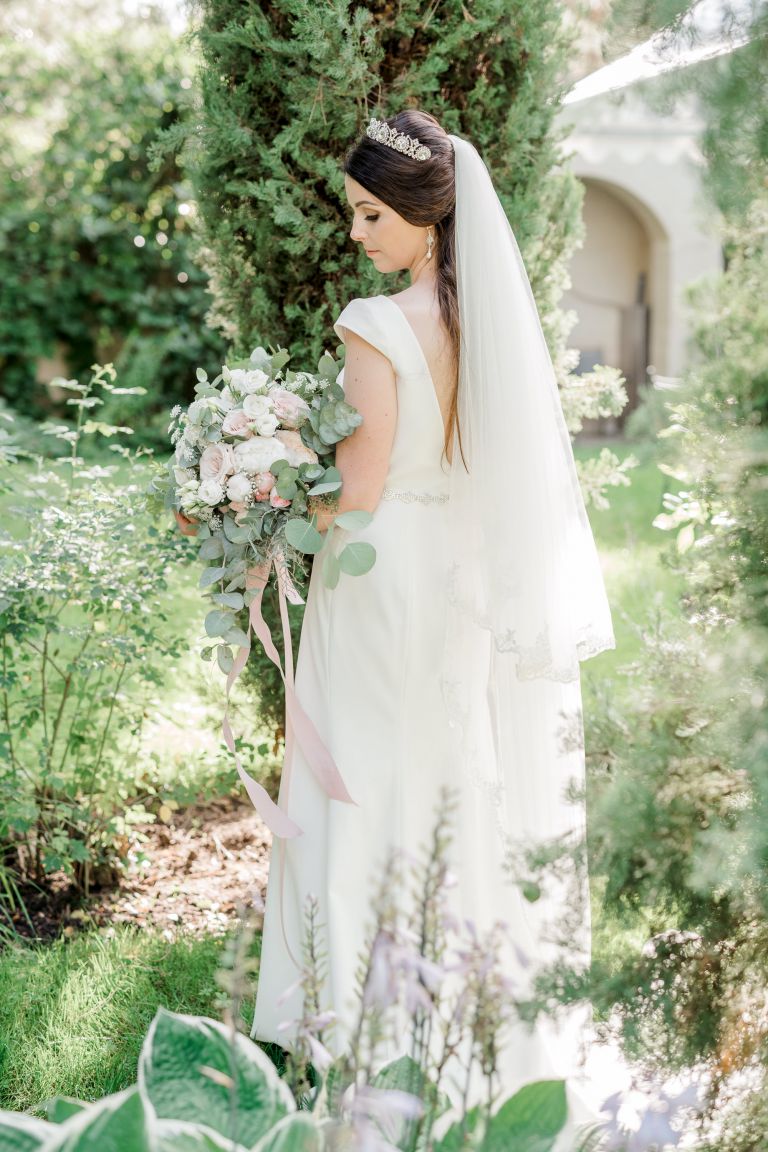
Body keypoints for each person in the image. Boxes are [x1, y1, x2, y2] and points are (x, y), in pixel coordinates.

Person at [177, 110, 616, 1142]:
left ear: (426, 216)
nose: (360, 234)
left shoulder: (376, 325)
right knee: (453, 774)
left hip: (380, 585)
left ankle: (365, 1023)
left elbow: (358, 495)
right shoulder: (484, 324)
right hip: (455, 572)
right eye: (356, 214)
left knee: (366, 776)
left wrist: (253, 497)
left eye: (374, 215)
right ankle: (466, 1008)